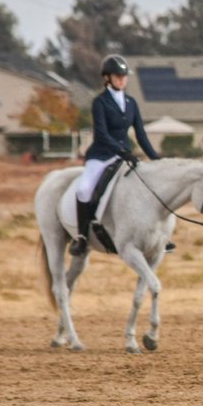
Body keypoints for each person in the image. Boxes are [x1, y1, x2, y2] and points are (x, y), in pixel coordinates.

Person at [69, 55, 160, 256]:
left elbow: (141, 134)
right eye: (118, 76)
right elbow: (101, 133)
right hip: (101, 156)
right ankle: (82, 237)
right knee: (84, 190)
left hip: (124, 157)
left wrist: (157, 159)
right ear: (108, 78)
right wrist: (121, 151)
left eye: (124, 76)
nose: (122, 79)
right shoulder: (100, 102)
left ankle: (158, 237)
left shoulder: (131, 103)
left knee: (147, 188)